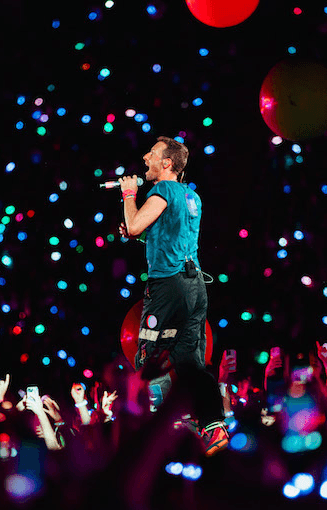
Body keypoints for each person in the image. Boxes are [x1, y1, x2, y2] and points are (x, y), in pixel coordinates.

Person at [117, 136, 228, 455]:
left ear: (167, 163)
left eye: (151, 154)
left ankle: (158, 430)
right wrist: (142, 235)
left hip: (168, 285)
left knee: (151, 353)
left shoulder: (163, 189)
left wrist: (129, 195)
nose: (145, 157)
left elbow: (134, 225)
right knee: (189, 360)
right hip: (194, 287)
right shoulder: (191, 195)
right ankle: (214, 426)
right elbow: (170, 237)